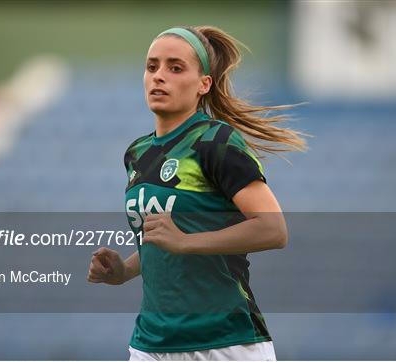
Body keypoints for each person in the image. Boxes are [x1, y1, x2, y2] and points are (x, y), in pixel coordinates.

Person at [87, 25, 307, 361]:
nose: (159, 76)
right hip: (152, 344)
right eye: (152, 67)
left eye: (175, 68)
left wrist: (185, 242)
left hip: (225, 342)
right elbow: (162, 242)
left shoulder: (215, 142)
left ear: (204, 84)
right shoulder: (138, 153)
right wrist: (124, 271)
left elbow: (273, 229)